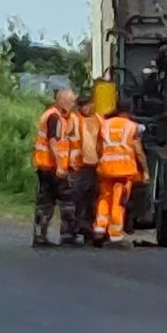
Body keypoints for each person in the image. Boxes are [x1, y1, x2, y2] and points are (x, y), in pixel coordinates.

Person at [90, 80, 147, 247]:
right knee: (118, 202)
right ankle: (115, 235)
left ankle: (100, 229)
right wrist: (145, 170)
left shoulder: (105, 125)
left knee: (104, 198)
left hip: (105, 170)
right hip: (123, 172)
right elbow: (138, 151)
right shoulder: (132, 127)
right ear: (129, 111)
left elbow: (99, 147)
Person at [32, 85, 81, 249]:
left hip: (48, 166)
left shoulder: (61, 116)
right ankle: (65, 235)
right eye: (72, 101)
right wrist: (60, 165)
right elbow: (53, 142)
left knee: (48, 201)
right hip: (52, 167)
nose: (74, 104)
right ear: (64, 101)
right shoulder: (54, 118)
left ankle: (42, 236)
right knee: (63, 201)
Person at [63, 88, 102, 247]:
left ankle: (87, 230)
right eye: (82, 104)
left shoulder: (99, 119)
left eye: (87, 104)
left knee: (91, 201)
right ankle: (69, 232)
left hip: (95, 166)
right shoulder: (73, 119)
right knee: (74, 200)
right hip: (77, 166)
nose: (85, 107)